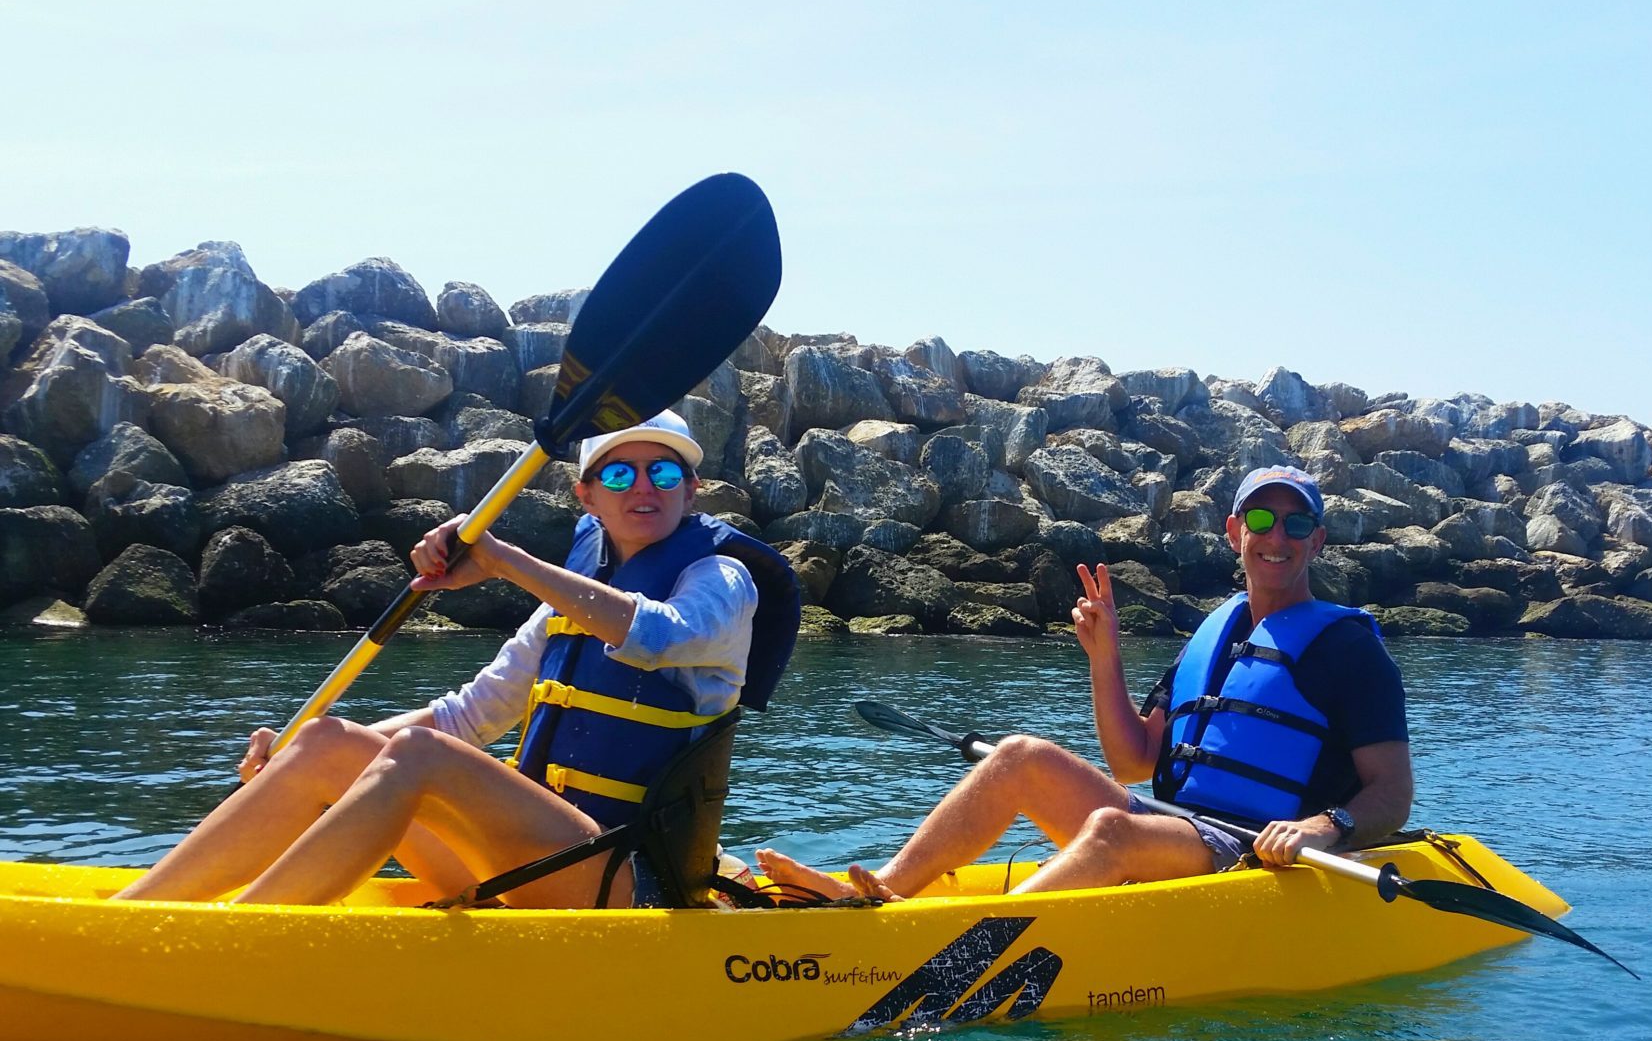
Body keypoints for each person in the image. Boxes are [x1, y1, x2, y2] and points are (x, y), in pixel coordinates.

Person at [116, 410, 800, 908]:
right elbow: (466, 717)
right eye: (618, 472)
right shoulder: (564, 605)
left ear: (692, 490)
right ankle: (138, 917)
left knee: (416, 755)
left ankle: (237, 939)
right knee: (327, 741)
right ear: (585, 496)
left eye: (664, 471)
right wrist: (290, 759)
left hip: (626, 878)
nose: (642, 486)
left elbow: (663, 635)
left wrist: (503, 560)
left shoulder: (720, 581)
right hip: (527, 864)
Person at [756, 464, 1412, 900]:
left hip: (1246, 852)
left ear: (1318, 540)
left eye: (1296, 525)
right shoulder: (1216, 635)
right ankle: (883, 894)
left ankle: (960, 944)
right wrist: (1105, 659)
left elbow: (1393, 794)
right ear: (1235, 531)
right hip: (1172, 826)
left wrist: (1324, 827)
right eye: (1262, 522)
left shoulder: (1348, 650)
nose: (1278, 538)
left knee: (1107, 831)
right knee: (1017, 756)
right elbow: (1132, 762)